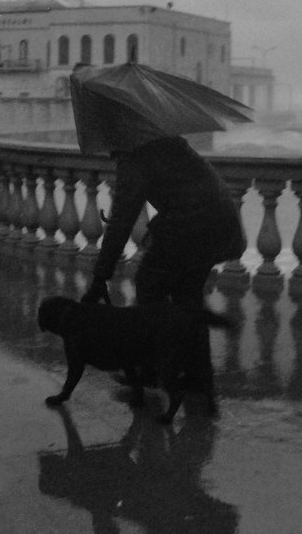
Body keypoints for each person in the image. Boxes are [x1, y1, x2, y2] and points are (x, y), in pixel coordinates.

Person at [81, 134, 246, 412]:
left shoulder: (135, 158)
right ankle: (198, 383)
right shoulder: (165, 143)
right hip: (220, 223)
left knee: (149, 286)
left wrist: (100, 277)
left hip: (191, 230)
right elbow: (184, 194)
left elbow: (122, 221)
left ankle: (150, 373)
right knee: (186, 298)